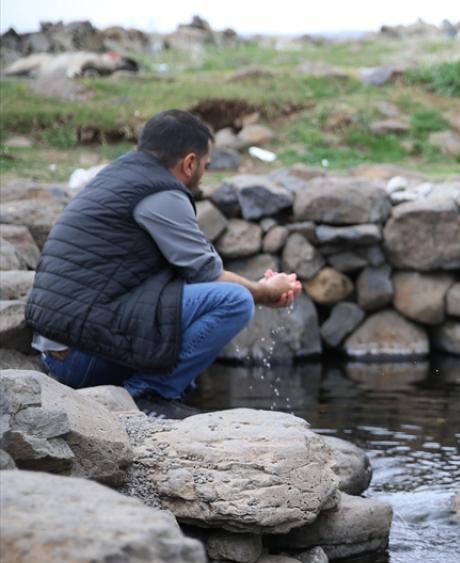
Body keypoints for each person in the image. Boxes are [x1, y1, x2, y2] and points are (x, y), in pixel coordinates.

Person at [24, 109, 301, 418]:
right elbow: (207, 273)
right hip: (78, 358)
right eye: (206, 166)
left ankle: (158, 391)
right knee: (236, 301)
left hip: (64, 348)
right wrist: (264, 292)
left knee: (193, 297)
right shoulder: (161, 194)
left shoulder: (121, 176)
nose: (204, 175)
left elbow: (191, 271)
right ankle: (150, 396)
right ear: (190, 163)